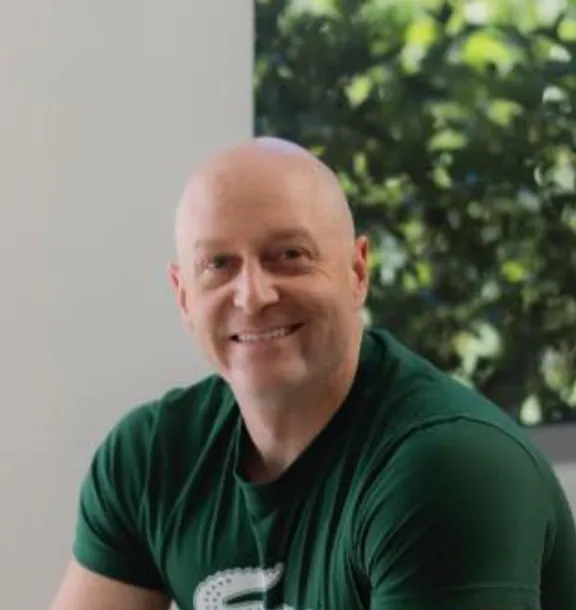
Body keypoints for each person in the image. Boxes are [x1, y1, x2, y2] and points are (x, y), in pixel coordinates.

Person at [51, 137, 576, 610]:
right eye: (218, 265)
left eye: (290, 256)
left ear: (357, 271)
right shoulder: (152, 458)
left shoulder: (450, 468)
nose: (253, 295)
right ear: (182, 294)